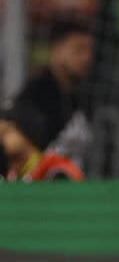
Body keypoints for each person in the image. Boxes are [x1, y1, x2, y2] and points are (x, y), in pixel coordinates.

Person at [0, 21, 94, 181]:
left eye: (89, 50)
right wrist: (40, 167)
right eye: (79, 49)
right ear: (57, 50)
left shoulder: (84, 96)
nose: (87, 57)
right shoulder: (35, 95)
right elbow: (13, 144)